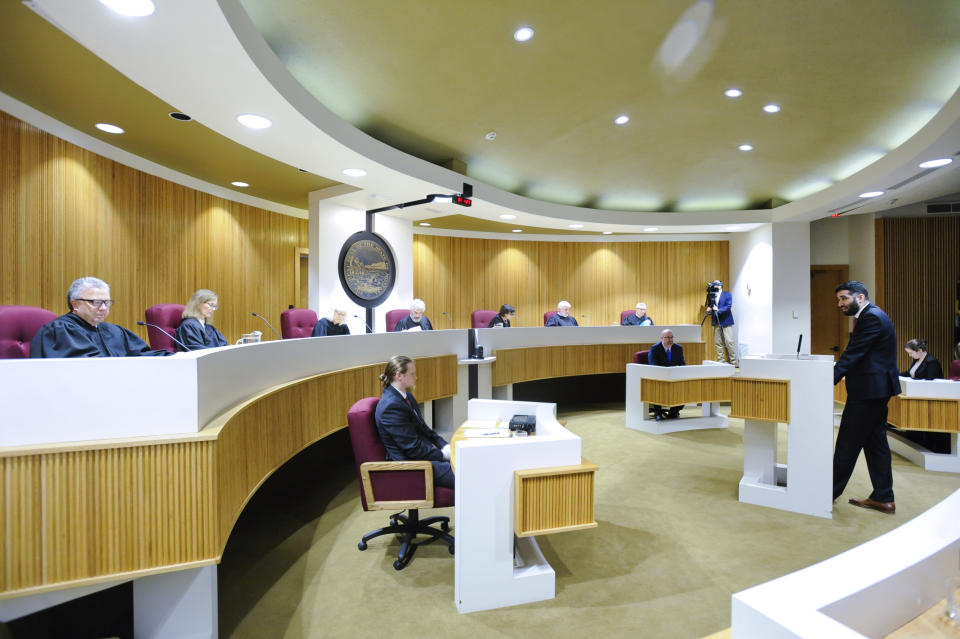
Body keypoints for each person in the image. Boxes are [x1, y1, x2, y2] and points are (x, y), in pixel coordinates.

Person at [832, 281, 901, 514]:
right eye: (839, 300)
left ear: (859, 297)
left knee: (847, 445)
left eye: (843, 298)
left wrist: (827, 379)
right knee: (875, 444)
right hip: (876, 391)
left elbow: (854, 353)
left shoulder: (871, 317)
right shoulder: (873, 315)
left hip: (869, 392)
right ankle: (884, 497)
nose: (840, 304)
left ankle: (825, 494)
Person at [31, 276, 171, 358]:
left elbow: (143, 356)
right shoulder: (60, 331)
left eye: (106, 302)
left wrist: (174, 357)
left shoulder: (115, 331)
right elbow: (91, 369)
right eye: (96, 302)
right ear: (76, 304)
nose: (103, 308)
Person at [374, 355, 454, 489]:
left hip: (423, 456)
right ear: (399, 375)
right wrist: (442, 455)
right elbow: (412, 448)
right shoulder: (390, 407)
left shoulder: (406, 396)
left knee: (466, 464)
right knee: (466, 475)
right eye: (412, 374)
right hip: (411, 466)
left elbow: (425, 429)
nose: (416, 377)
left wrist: (445, 447)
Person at [648, 329, 686, 420]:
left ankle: (673, 413)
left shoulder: (678, 348)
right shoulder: (655, 349)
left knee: (684, 390)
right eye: (668, 337)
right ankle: (658, 413)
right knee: (657, 388)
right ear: (662, 338)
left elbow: (683, 364)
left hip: (674, 378)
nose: (670, 340)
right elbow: (653, 365)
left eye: (672, 337)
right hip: (660, 378)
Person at [708, 280, 737, 366]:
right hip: (716, 321)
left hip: (726, 320)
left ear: (721, 285)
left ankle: (733, 360)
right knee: (718, 342)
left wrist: (719, 310)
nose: (715, 285)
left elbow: (728, 306)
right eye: (714, 283)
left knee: (729, 341)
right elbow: (712, 305)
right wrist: (709, 309)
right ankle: (721, 361)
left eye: (717, 283)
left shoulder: (727, 294)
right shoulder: (712, 295)